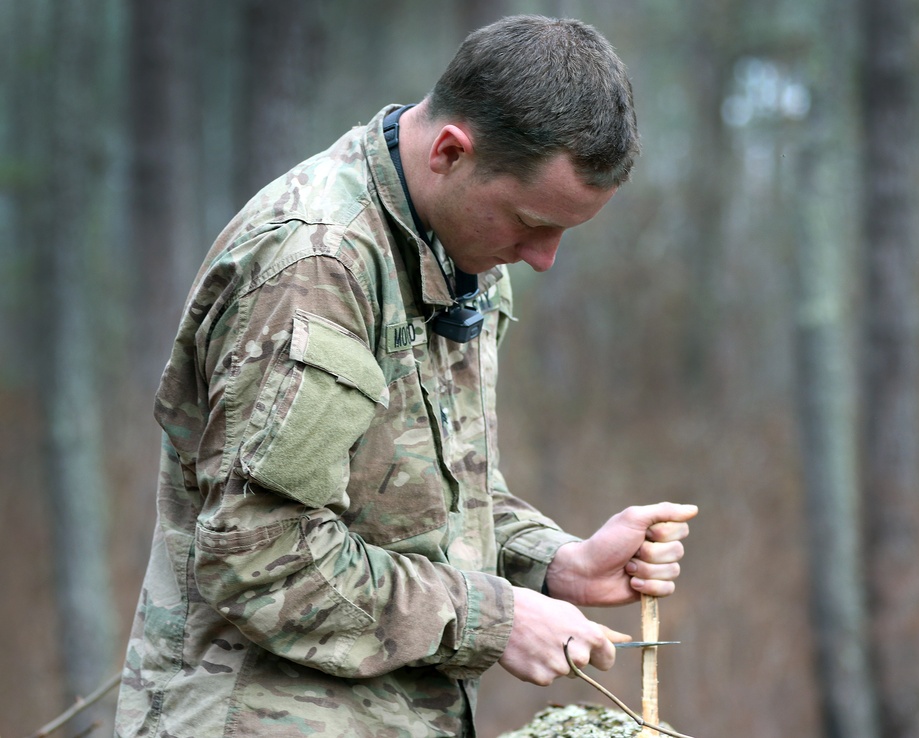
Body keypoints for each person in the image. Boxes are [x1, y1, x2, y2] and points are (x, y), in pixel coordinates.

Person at [115, 14, 697, 738]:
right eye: (530, 223)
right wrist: (496, 618)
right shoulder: (316, 269)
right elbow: (260, 558)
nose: (544, 258)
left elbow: (421, 496)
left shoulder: (462, 252)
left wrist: (554, 565)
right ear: (451, 152)